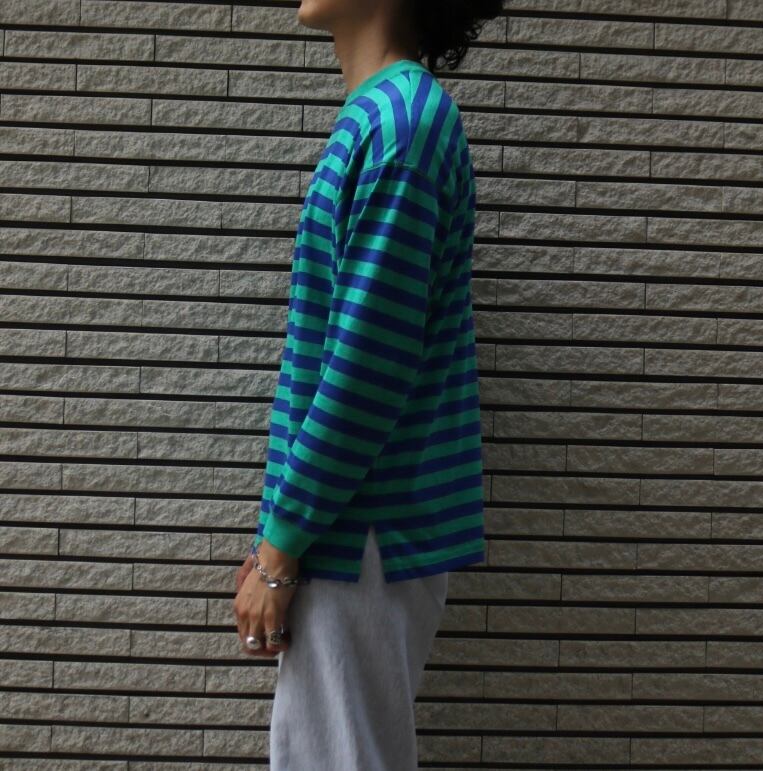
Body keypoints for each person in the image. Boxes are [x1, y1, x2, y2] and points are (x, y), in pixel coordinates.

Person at [233, 0, 503, 768]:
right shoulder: (384, 118)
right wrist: (278, 537)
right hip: (347, 527)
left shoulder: (401, 127)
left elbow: (364, 372)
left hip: (363, 531)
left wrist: (280, 549)